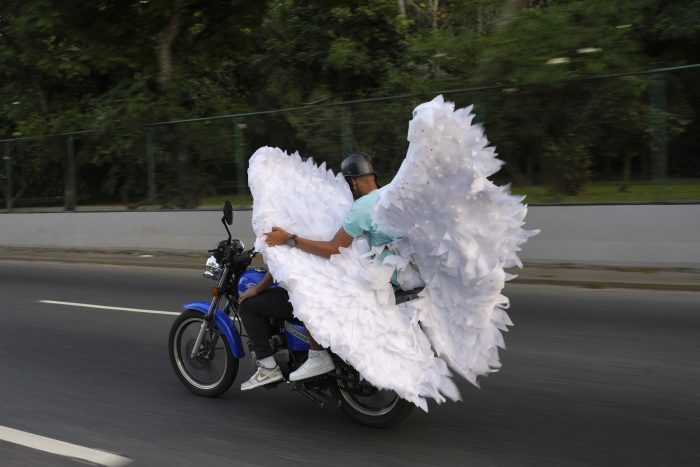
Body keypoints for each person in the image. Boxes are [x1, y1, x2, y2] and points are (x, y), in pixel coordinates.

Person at [263, 152, 400, 382]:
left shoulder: (363, 208)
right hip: (403, 274)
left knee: (309, 285)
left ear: (352, 182)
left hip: (384, 279)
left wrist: (290, 239)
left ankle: (317, 354)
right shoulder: (391, 196)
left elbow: (333, 248)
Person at [238, 271, 294, 390]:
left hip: (300, 295)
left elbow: (276, 267)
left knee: (246, 306)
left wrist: (256, 289)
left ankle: (268, 366)